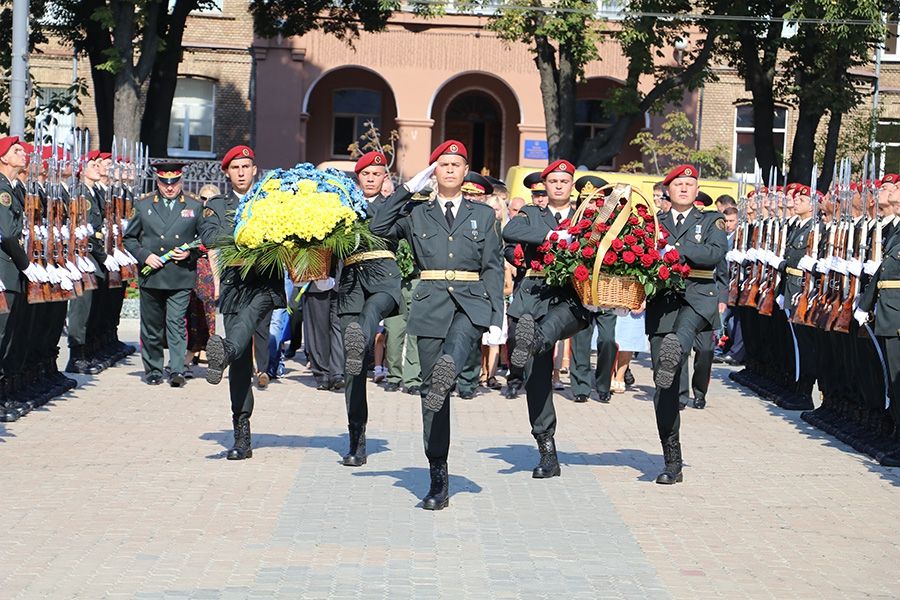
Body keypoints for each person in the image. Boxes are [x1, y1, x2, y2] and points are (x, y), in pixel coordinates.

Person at [370, 139, 504, 510]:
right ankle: (438, 474)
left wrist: (497, 318)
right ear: (434, 173)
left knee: (453, 354)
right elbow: (378, 225)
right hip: (430, 306)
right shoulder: (417, 214)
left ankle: (450, 365)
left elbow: (492, 266)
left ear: (465, 172)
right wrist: (408, 188)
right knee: (434, 395)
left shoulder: (483, 216)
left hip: (470, 302)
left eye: (456, 164)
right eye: (442, 164)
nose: (449, 169)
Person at [503, 159, 591, 478]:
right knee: (537, 376)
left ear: (571, 184)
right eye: (552, 180)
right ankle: (547, 451)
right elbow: (510, 231)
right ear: (545, 184)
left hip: (572, 294)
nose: (557, 185)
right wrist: (556, 235)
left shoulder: (587, 212)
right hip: (536, 290)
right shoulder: (532, 213)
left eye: (564, 180)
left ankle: (535, 338)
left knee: (548, 331)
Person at [201, 145, 287, 460]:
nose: (240, 172)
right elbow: (209, 235)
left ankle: (224, 350)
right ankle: (241, 433)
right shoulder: (217, 206)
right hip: (236, 284)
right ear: (227, 173)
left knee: (246, 326)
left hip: (264, 283)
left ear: (254, 170)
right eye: (235, 167)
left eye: (246, 166)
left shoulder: (272, 202)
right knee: (238, 363)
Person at [646, 164, 727, 484]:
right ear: (668, 190)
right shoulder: (654, 222)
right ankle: (672, 458)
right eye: (678, 184)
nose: (684, 189)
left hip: (697, 299)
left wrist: (675, 249)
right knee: (663, 386)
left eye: (690, 184)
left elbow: (714, 254)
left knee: (679, 339)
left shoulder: (710, 220)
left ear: (696, 191)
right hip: (662, 303)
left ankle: (675, 347)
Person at [338, 151, 402, 467]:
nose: (372, 178)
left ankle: (361, 341)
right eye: (366, 174)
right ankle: (357, 438)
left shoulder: (392, 208)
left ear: (384, 179)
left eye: (377, 174)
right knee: (353, 369)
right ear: (358, 177)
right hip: (351, 286)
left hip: (383, 281)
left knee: (372, 314)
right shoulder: (342, 208)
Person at [123, 162, 202, 387]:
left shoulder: (194, 206)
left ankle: (177, 369)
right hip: (153, 275)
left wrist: (189, 253)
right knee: (152, 325)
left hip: (180, 275)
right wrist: (145, 255)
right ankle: (154, 369)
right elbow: (129, 238)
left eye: (174, 183)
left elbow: (205, 239)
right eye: (164, 183)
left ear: (181, 181)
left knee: (176, 322)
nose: (169, 188)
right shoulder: (143, 205)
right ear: (157, 182)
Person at [568, 175, 618, 404]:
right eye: (586, 200)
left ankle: (603, 384)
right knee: (580, 339)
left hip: (606, 290)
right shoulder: (572, 222)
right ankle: (580, 386)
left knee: (607, 340)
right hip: (580, 289)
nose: (591, 205)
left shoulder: (614, 224)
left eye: (596, 200)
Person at [184, 183, 221, 377]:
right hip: (193, 270)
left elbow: (216, 253)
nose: (206, 202)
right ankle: (192, 352)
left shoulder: (219, 220)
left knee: (209, 316)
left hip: (209, 272)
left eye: (210, 199)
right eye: (203, 198)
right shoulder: (194, 218)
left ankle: (212, 356)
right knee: (192, 315)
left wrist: (217, 282)